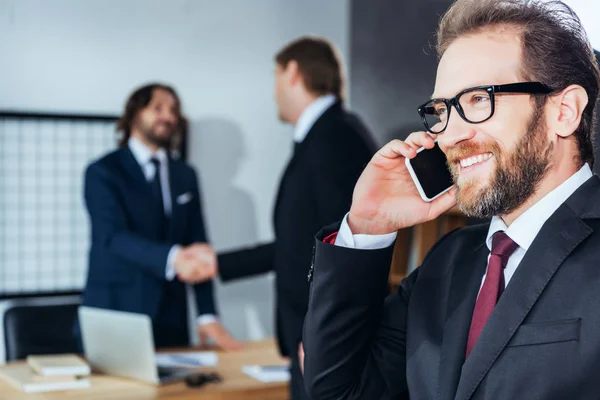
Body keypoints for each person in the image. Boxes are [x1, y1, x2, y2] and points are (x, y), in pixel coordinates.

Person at [303, 0, 600, 399]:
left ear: (564, 111)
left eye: (479, 99)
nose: (448, 135)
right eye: (442, 109)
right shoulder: (447, 261)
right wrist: (367, 226)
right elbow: (339, 390)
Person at [217, 37, 377, 399]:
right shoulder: (324, 136)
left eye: (275, 76)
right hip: (311, 339)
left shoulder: (336, 137)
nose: (273, 92)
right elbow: (299, 243)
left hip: (321, 344)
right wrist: (217, 263)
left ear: (291, 72)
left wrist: (324, 336)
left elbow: (348, 246)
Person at [82, 83, 241, 350]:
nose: (167, 116)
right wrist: (174, 258)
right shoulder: (103, 172)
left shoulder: (185, 175)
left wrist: (207, 315)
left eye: (173, 110)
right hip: (117, 312)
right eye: (157, 108)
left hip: (171, 317)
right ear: (134, 113)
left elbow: (198, 244)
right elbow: (111, 237)